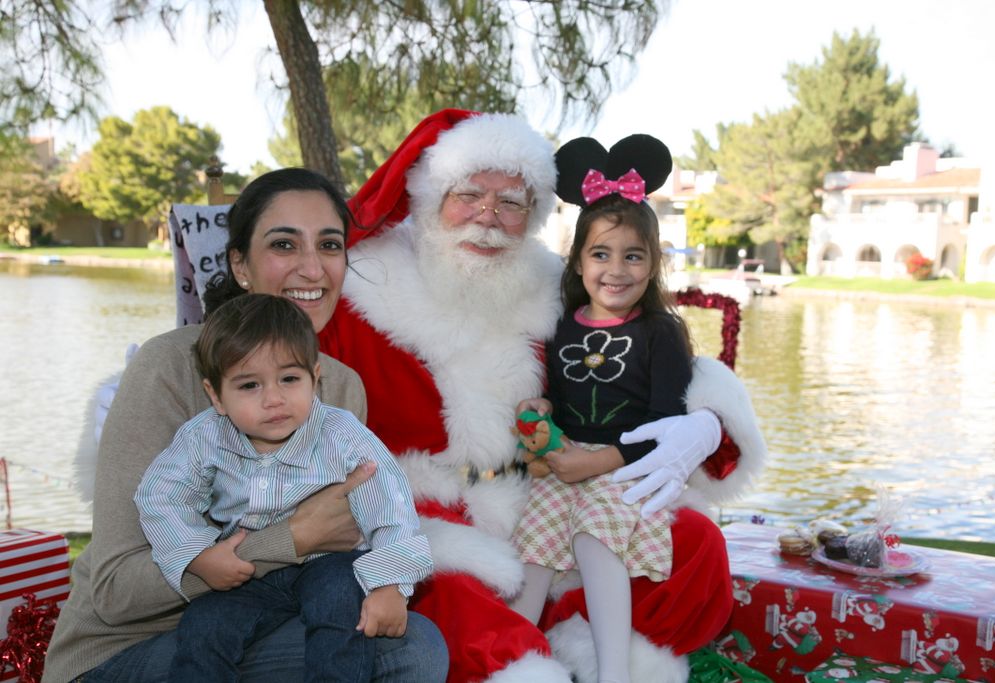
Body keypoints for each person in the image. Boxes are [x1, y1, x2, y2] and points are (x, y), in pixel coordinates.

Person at [316, 110, 767, 682]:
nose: (488, 218)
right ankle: (525, 663)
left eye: (512, 202)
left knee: (694, 543)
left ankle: (585, 645)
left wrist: (702, 420)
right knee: (448, 588)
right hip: (425, 505)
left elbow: (639, 356)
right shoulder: (363, 288)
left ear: (533, 216)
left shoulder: (553, 285)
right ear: (431, 196)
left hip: (549, 488)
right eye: (470, 194)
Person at [43, 168, 448, 683]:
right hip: (126, 649)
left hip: (269, 620)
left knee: (391, 635)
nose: (311, 267)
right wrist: (291, 538)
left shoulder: (341, 389)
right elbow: (116, 591)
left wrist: (384, 572)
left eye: (329, 244)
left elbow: (363, 527)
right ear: (240, 264)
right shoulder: (169, 368)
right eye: (284, 244)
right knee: (405, 652)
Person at [507, 134, 723, 683]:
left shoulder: (660, 332)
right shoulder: (562, 327)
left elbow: (666, 426)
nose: (616, 269)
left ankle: (613, 671)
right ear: (578, 263)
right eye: (601, 254)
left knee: (593, 535)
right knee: (533, 545)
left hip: (628, 471)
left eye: (633, 256)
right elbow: (563, 394)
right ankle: (515, 659)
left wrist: (598, 463)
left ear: (653, 265)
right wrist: (542, 407)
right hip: (564, 467)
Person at [134, 294, 432, 681]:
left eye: (290, 379)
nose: (273, 399)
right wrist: (195, 555)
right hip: (253, 573)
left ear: (315, 376)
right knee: (204, 625)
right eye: (249, 385)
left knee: (342, 610)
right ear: (216, 396)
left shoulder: (343, 436)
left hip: (328, 562)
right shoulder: (205, 436)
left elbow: (390, 505)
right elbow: (161, 496)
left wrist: (391, 583)